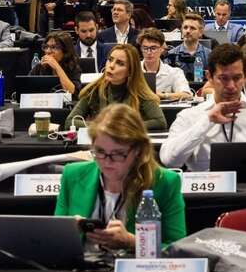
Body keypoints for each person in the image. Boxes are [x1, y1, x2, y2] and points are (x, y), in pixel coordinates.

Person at [55, 104, 185, 250]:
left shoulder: (166, 182)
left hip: (135, 269)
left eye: (117, 153)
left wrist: (132, 242)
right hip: (81, 268)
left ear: (137, 150)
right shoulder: (72, 175)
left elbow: (177, 250)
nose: (107, 161)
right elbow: (54, 239)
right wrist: (68, 230)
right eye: (100, 151)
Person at [159, 43, 246, 171]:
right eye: (223, 78)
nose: (231, 86)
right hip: (208, 189)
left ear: (245, 75)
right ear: (209, 77)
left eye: (237, 78)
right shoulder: (189, 116)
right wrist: (207, 121)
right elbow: (169, 160)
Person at [64, 44, 166, 131]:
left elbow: (160, 122)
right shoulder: (94, 89)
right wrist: (102, 126)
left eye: (120, 63)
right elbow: (70, 122)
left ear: (130, 71)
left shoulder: (139, 91)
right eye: (110, 60)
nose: (111, 66)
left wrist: (125, 127)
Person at [137, 28, 190, 102]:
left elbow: (187, 95)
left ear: (162, 48)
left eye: (153, 48)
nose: (149, 52)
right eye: (145, 48)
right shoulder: (132, 70)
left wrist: (164, 95)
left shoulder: (174, 72)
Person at [30, 31, 82, 95]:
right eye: (46, 47)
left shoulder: (73, 67)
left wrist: (57, 67)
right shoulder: (40, 67)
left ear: (65, 51)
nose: (48, 51)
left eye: (53, 47)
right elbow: (26, 89)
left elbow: (72, 92)